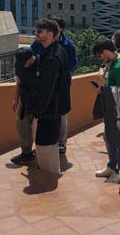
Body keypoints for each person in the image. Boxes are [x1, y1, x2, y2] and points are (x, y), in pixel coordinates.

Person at [15, 18, 69, 173]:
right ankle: (49, 175)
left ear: (50, 34)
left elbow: (47, 88)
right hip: (54, 108)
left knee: (46, 145)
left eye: (40, 31)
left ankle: (49, 178)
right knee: (49, 144)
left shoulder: (51, 57)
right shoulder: (55, 51)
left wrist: (37, 109)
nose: (36, 34)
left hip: (49, 110)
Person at [92, 38, 120, 183]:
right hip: (111, 106)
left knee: (119, 140)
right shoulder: (112, 62)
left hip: (118, 109)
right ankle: (112, 166)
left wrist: (104, 90)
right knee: (109, 137)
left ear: (105, 52)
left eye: (99, 55)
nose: (100, 59)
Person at [10, 38, 44, 166]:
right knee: (21, 125)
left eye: (25, 62)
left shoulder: (42, 65)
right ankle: (26, 152)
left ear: (31, 58)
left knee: (38, 128)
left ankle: (42, 153)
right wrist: (15, 98)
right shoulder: (20, 65)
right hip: (24, 100)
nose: (23, 65)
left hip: (38, 102)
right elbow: (19, 82)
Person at [51, 17, 77, 155]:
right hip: (47, 84)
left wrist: (63, 75)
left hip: (63, 85)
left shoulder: (68, 44)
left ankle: (62, 142)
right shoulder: (42, 42)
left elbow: (73, 63)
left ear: (60, 28)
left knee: (62, 114)